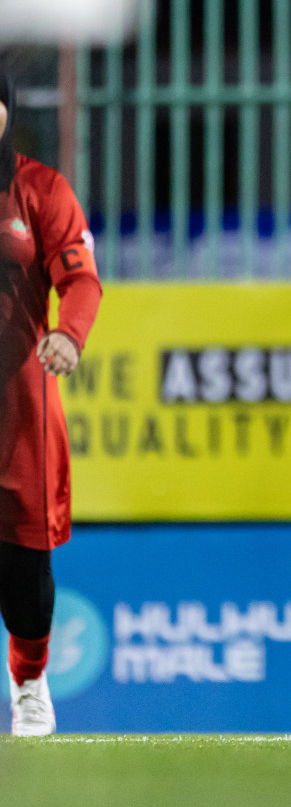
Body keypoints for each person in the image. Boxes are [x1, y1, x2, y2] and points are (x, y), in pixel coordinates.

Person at [0, 69, 102, 735]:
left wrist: (69, 333)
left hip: (19, 414)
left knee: (26, 572)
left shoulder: (41, 189)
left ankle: (30, 685)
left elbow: (82, 280)